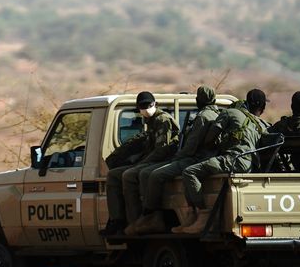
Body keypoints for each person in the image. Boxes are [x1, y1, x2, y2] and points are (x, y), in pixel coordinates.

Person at [121, 86, 222, 236]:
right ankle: (187, 215)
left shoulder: (203, 117)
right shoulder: (217, 114)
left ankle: (150, 214)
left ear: (198, 100)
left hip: (196, 157)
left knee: (154, 175)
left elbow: (191, 145)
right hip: (202, 157)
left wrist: (178, 157)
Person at [169, 91, 269, 235]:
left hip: (233, 160)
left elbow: (210, 139)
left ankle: (203, 216)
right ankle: (194, 219)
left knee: (190, 172)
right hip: (251, 165)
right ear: (263, 107)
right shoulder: (262, 124)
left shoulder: (230, 113)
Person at [102, 91, 178, 234]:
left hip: (164, 160)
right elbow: (144, 142)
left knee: (129, 175)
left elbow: (162, 151)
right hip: (152, 160)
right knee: (113, 175)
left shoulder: (162, 120)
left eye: (148, 105)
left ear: (154, 104)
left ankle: (139, 221)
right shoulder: (151, 122)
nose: (145, 109)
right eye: (142, 107)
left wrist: (141, 163)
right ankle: (117, 220)